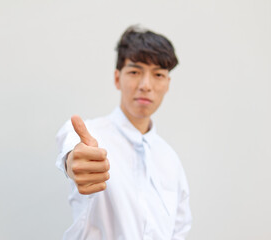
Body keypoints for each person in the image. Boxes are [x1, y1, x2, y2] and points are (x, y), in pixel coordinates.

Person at [56, 25, 192, 240]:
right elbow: (72, 153)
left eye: (158, 74)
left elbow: (179, 231)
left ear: (167, 84)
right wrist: (75, 163)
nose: (146, 85)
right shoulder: (90, 134)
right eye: (135, 72)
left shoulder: (171, 160)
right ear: (117, 78)